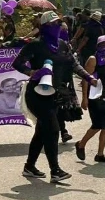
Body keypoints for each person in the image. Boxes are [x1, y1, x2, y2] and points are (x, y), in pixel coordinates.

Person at [12, 11, 97, 183]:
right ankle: (55, 170)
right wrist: (31, 72)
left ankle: (29, 166)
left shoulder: (63, 45)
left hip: (55, 94)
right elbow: (17, 63)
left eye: (59, 23)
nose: (58, 26)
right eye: (54, 24)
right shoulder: (35, 45)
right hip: (36, 94)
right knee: (52, 129)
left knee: (42, 131)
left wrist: (89, 77)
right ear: (44, 27)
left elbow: (74, 64)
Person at [76, 36, 105, 164]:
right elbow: (86, 79)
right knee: (97, 125)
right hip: (95, 97)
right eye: (103, 44)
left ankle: (100, 154)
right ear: (97, 46)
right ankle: (81, 144)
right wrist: (84, 98)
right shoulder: (93, 59)